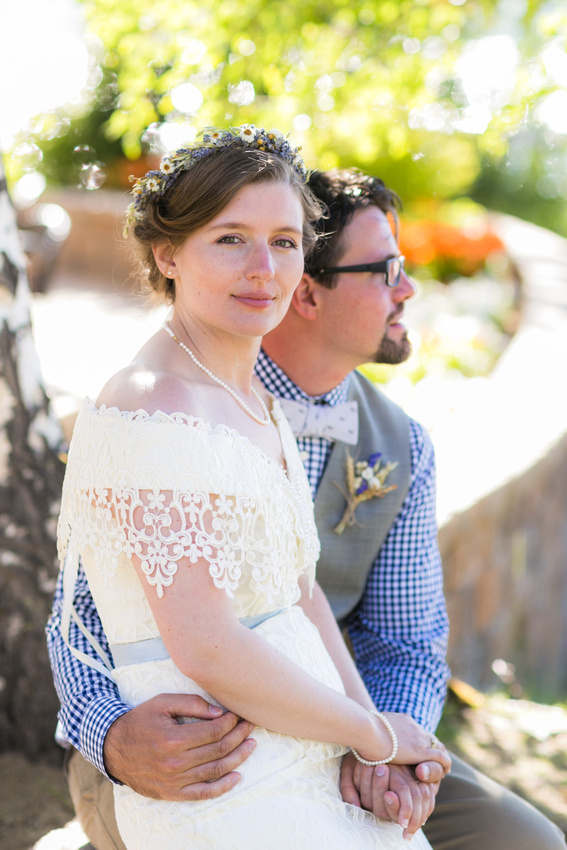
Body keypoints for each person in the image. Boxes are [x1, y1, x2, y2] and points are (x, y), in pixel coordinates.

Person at [47, 161, 566, 850]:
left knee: (523, 841)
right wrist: (110, 733)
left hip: (339, 726)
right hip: (182, 746)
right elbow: (81, 615)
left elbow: (404, 643)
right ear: (310, 298)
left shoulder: (394, 444)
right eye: (382, 271)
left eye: (284, 242)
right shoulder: (161, 405)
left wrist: (384, 746)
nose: (406, 289)